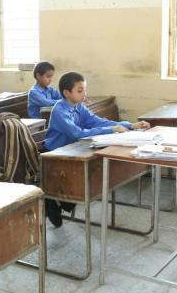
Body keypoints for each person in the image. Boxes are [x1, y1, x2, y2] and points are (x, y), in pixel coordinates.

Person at [43, 71, 150, 227]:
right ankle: (52, 200)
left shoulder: (79, 107)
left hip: (72, 149)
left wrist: (129, 125)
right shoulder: (59, 110)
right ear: (66, 93)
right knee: (76, 185)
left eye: (85, 90)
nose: (84, 94)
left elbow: (97, 122)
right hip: (54, 154)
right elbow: (77, 133)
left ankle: (61, 202)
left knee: (87, 177)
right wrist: (112, 130)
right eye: (80, 91)